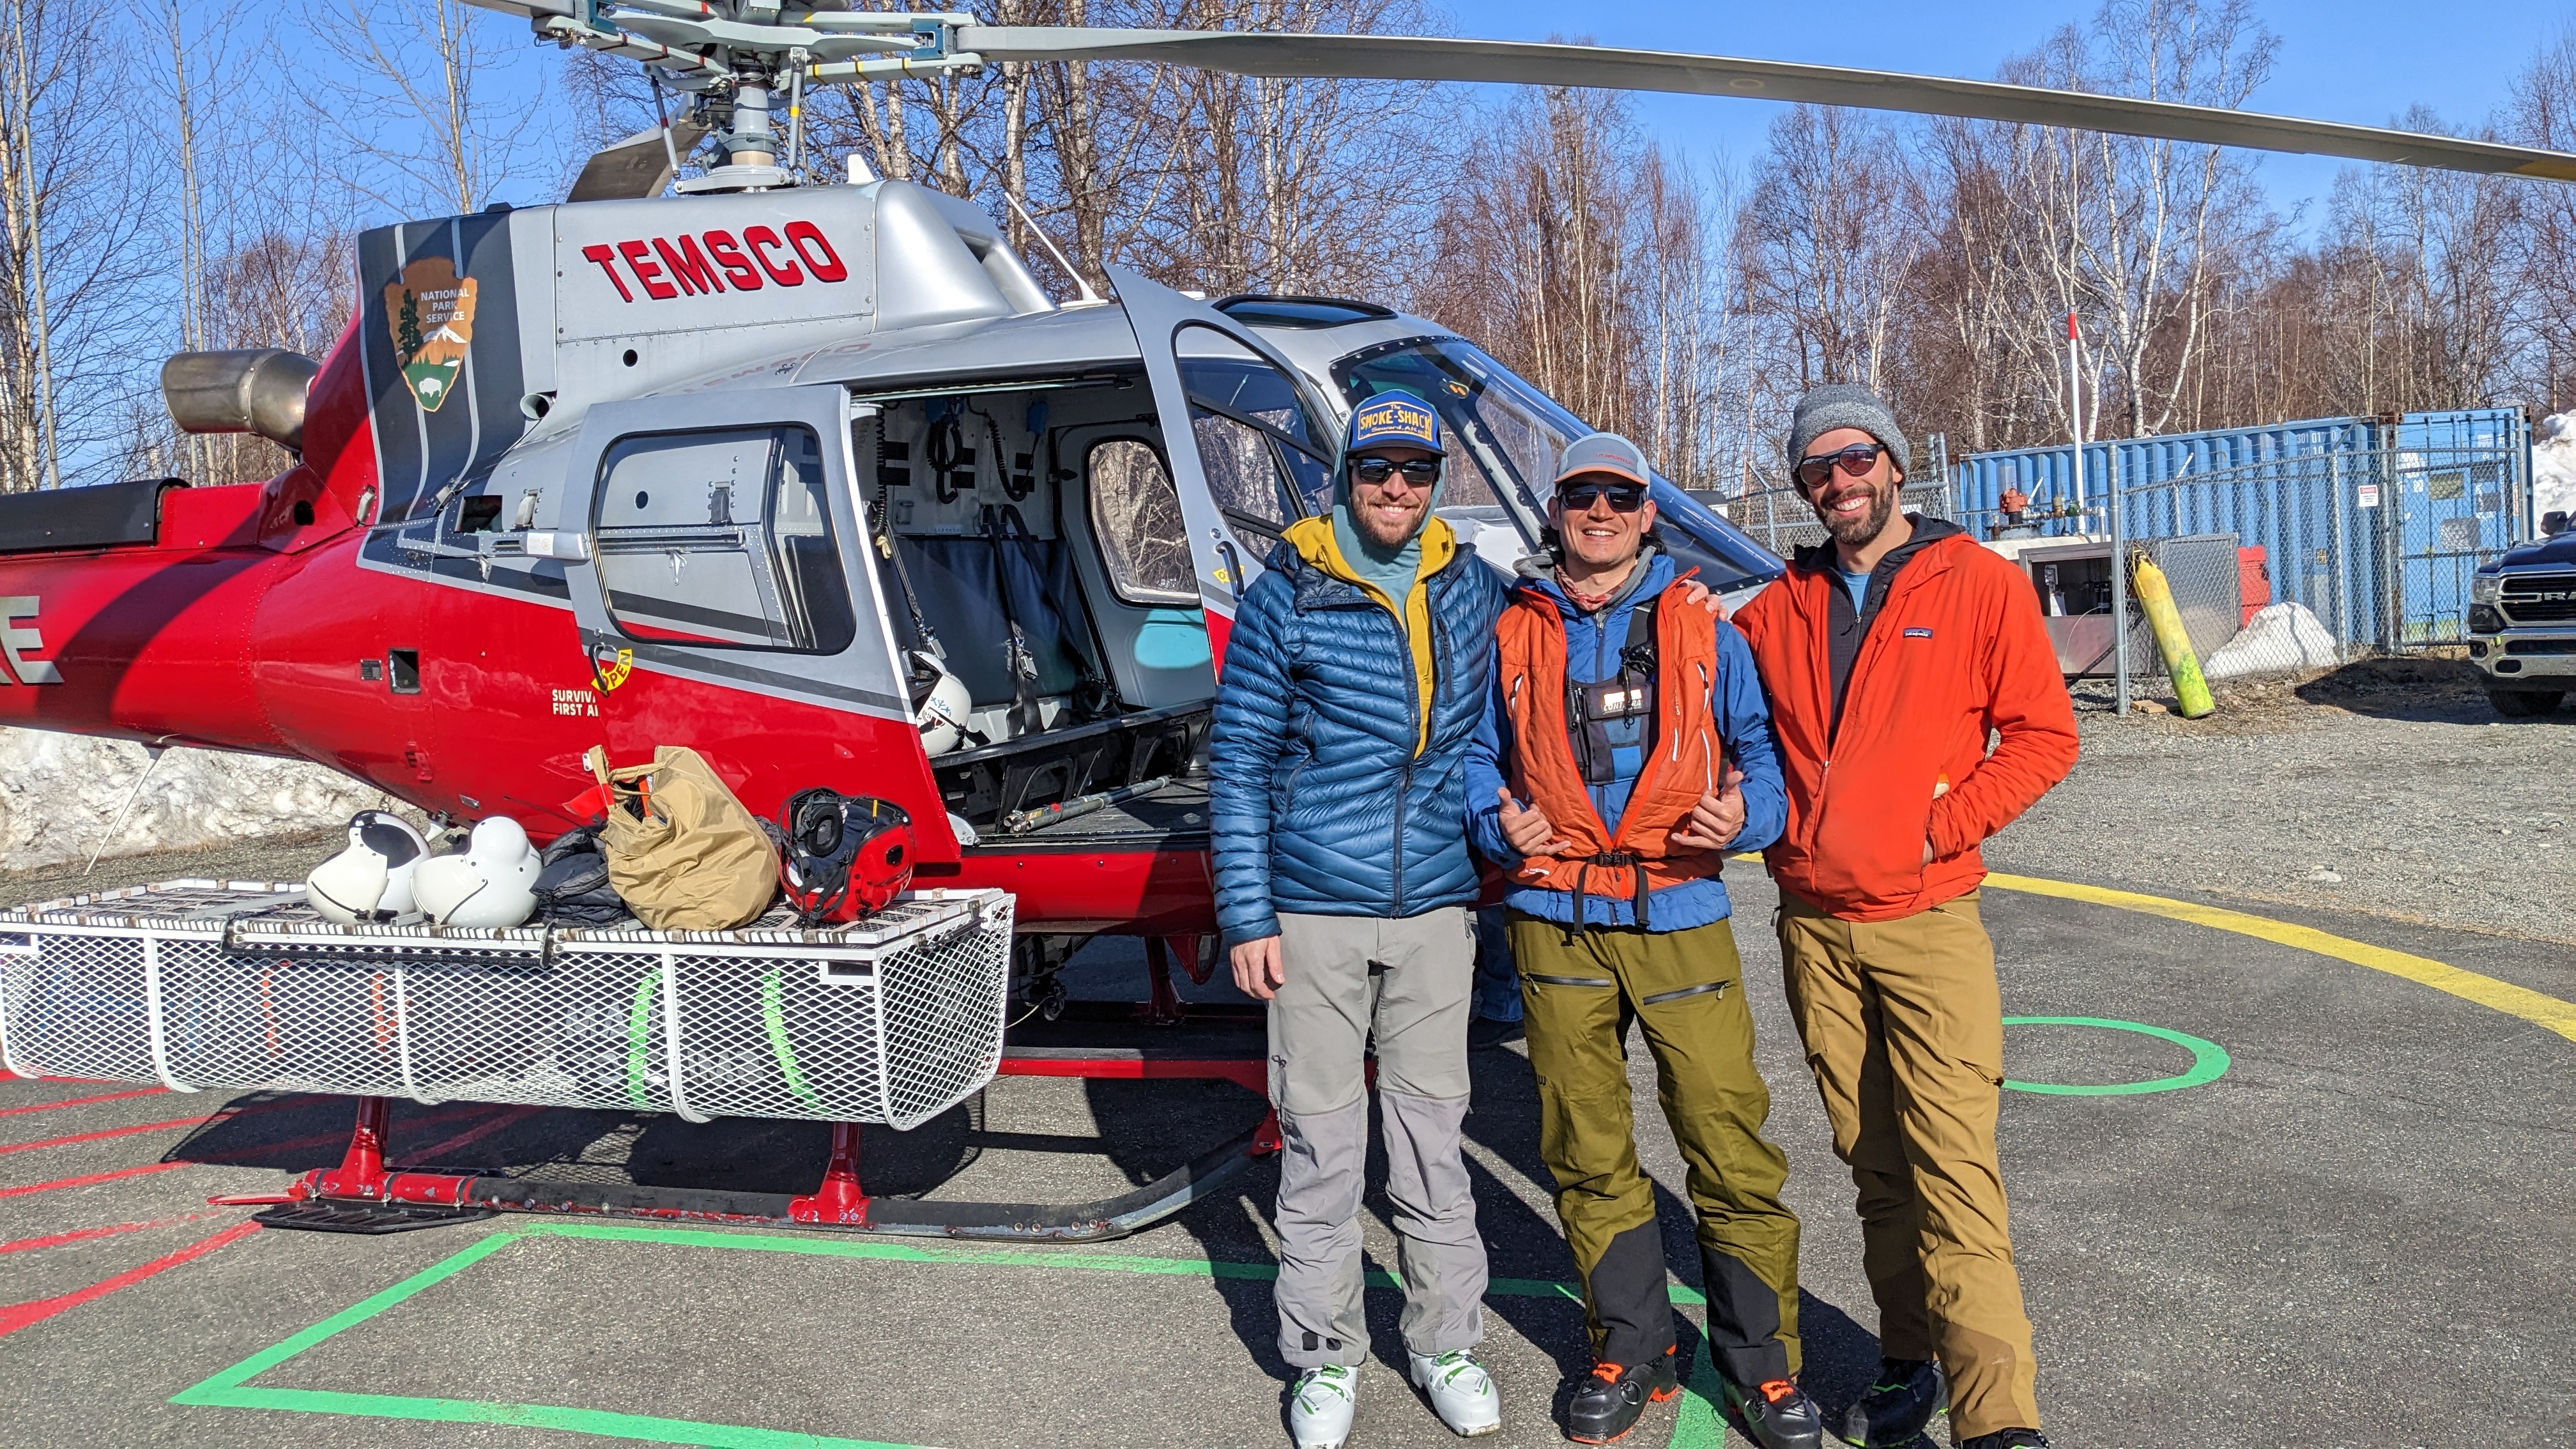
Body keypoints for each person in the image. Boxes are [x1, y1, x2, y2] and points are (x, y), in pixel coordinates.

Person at [1730, 385, 2079, 1449]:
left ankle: (1998, 1421)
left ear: (1892, 461)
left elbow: (2043, 736)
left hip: (1926, 922)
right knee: (1872, 1158)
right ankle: (1905, 1357)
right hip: (1814, 928)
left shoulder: (1976, 582)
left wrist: (1942, 829)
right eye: (1816, 471)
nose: (1839, 483)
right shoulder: (1771, 610)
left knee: (1953, 1165)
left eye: (1854, 460)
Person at [1465, 433, 1823, 1449]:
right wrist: (1499, 824)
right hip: (1554, 921)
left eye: (1622, 496)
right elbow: (1473, 760)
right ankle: (1631, 1347)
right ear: (1557, 512)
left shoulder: (1708, 627)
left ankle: (1765, 1368)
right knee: (1584, 1145)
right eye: (1582, 496)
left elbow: (1763, 758)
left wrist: (1745, 817)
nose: (1602, 513)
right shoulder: (1512, 630)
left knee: (1727, 1139)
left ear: (1648, 512)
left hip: (1678, 916)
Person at [1209, 389, 1511, 1449]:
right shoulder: (1288, 590)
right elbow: (1239, 762)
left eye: (1416, 473)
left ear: (1437, 485)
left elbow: (1565, 648)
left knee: (1433, 1141)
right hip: (1314, 912)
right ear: (1346, 476)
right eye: (1378, 468)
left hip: (1434, 910)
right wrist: (1248, 914)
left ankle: (1444, 1344)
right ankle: (1325, 1357)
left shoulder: (1473, 587)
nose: (1396, 488)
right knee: (1324, 1147)